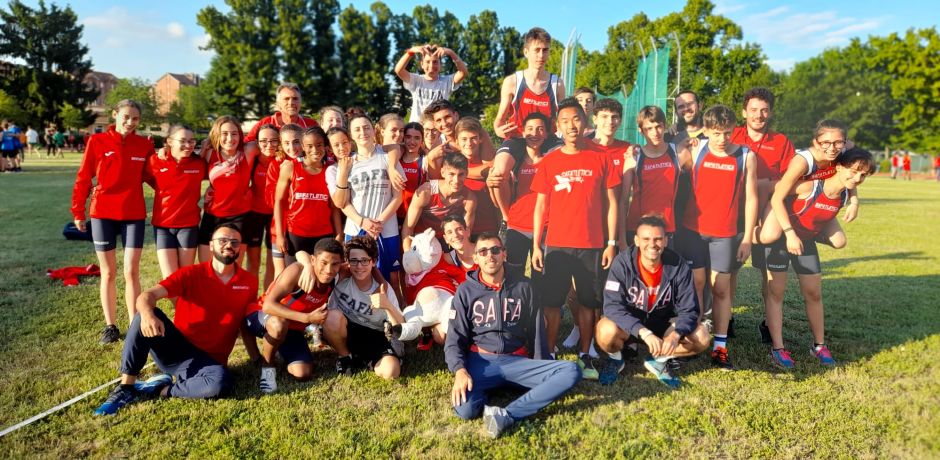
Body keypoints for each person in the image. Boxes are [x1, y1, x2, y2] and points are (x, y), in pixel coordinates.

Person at [92, 224, 258, 415]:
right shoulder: (191, 273)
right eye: (223, 241)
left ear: (240, 248)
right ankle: (126, 388)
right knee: (143, 315)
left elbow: (245, 324)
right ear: (211, 245)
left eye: (234, 242)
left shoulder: (249, 282)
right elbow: (146, 296)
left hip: (210, 362)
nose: (229, 245)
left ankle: (157, 389)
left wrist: (256, 358)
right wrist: (147, 314)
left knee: (220, 383)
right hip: (177, 351)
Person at [446, 232, 580, 438]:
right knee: (466, 410)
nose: (490, 256)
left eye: (495, 250)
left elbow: (536, 330)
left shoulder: (524, 286)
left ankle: (506, 415)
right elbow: (454, 338)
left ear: (504, 254)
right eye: (483, 251)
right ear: (476, 258)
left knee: (571, 371)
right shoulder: (465, 291)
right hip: (481, 362)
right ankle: (491, 390)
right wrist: (460, 371)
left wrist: (541, 364)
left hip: (517, 360)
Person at [755, 148, 875, 368]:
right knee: (776, 293)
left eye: (863, 175)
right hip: (781, 238)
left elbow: (851, 181)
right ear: (839, 167)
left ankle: (819, 346)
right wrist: (766, 221)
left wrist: (855, 202)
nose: (858, 178)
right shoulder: (811, 186)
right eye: (854, 171)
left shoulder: (846, 194)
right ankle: (778, 349)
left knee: (813, 293)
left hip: (805, 241)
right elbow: (774, 190)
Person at [531, 98, 621, 378]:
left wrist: (611, 243)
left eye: (576, 119)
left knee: (588, 302)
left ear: (585, 122)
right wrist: (536, 245)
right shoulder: (550, 161)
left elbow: (613, 204)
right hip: (557, 245)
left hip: (592, 244)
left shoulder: (601, 157)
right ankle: (549, 353)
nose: (571, 125)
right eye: (565, 121)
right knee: (552, 302)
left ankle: (585, 355)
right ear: (557, 127)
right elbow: (540, 206)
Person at [675, 105, 757, 371]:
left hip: (725, 234)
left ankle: (720, 347)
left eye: (727, 133)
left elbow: (751, 198)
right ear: (706, 130)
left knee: (721, 289)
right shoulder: (696, 149)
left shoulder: (746, 155)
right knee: (696, 285)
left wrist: (748, 238)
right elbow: (669, 167)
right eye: (717, 133)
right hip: (693, 231)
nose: (722, 139)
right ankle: (694, 337)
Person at [71, 99, 154, 344]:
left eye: (135, 118)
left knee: (131, 271)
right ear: (115, 114)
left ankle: (135, 325)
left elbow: (154, 178)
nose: (130, 122)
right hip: (102, 213)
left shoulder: (144, 145)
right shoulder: (97, 141)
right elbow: (84, 177)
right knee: (108, 272)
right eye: (126, 116)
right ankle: (110, 326)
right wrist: (78, 211)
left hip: (133, 214)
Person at [596, 215, 709, 387]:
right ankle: (616, 359)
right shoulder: (622, 263)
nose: (652, 244)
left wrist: (675, 335)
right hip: (630, 325)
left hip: (662, 322)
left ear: (665, 241)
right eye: (646, 239)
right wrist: (643, 332)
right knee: (605, 330)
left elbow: (690, 310)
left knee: (702, 336)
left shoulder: (678, 265)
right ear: (636, 240)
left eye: (658, 239)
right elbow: (612, 307)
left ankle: (658, 360)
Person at [246, 238, 343, 393]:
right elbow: (268, 305)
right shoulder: (298, 271)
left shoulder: (337, 274)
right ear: (313, 260)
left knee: (303, 373)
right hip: (261, 314)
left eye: (335, 264)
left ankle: (278, 345)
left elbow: (365, 267)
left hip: (292, 327)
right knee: (278, 325)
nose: (329, 269)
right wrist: (307, 318)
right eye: (323, 263)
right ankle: (268, 367)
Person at [327, 116, 405, 299]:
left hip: (387, 228)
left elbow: (398, 197)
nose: (363, 132)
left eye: (366, 127)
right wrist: (363, 222)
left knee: (393, 279)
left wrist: (379, 222)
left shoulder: (388, 157)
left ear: (373, 129)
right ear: (351, 135)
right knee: (358, 276)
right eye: (357, 129)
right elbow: (343, 203)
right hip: (357, 229)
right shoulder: (346, 164)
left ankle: (397, 312)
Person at [768, 119, 858, 258]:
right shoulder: (802, 162)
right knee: (769, 236)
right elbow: (776, 197)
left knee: (839, 241)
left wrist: (854, 202)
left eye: (838, 142)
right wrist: (789, 233)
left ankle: (807, 236)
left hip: (808, 199)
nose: (832, 148)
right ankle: (746, 235)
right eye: (826, 143)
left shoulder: (844, 151)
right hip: (779, 197)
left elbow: (852, 174)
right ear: (816, 142)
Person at [323, 236, 405, 379]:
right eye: (354, 260)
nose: (359, 266)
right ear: (347, 262)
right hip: (346, 329)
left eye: (365, 260)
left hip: (373, 334)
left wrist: (388, 306)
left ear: (373, 261)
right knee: (331, 317)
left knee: (391, 371)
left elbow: (402, 326)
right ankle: (345, 357)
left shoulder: (383, 289)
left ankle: (361, 358)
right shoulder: (339, 279)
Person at [489, 112, 551, 279]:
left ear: (547, 133)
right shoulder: (514, 162)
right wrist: (506, 216)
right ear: (523, 133)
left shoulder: (551, 160)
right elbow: (496, 196)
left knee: (541, 280)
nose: (534, 134)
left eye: (540, 129)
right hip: (517, 227)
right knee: (513, 277)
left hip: (545, 228)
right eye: (530, 129)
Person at [144, 125, 205, 279]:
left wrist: (207, 145)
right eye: (183, 141)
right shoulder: (155, 161)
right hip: (162, 226)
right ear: (170, 141)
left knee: (185, 275)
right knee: (170, 278)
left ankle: (187, 296)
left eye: (192, 141)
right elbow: (145, 178)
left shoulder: (199, 164)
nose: (188, 145)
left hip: (188, 226)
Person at [197, 116, 260, 263]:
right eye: (224, 133)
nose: (230, 138)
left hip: (240, 216)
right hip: (212, 215)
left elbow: (272, 140)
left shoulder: (248, 150)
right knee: (206, 265)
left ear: (240, 135)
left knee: (233, 266)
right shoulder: (209, 152)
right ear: (217, 135)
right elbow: (187, 160)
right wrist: (164, 150)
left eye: (234, 133)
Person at [622, 106, 688, 244]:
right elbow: (623, 201)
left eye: (658, 127)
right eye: (649, 129)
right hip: (637, 229)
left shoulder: (679, 153)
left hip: (666, 228)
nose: (655, 132)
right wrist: (621, 239)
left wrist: (694, 142)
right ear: (641, 131)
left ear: (665, 126)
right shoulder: (634, 157)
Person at [274, 126, 342, 259]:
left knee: (323, 272)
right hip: (296, 235)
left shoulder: (332, 170)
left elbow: (334, 207)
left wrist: (339, 234)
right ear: (303, 147)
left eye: (319, 145)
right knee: (296, 272)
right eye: (309, 146)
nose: (315, 150)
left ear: (325, 145)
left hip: (324, 235)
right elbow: (279, 202)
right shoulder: (290, 167)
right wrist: (280, 235)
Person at [493, 27, 565, 139]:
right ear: (526, 52)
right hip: (518, 139)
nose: (541, 55)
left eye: (545, 50)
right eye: (537, 50)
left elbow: (563, 118)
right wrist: (498, 130)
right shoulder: (512, 82)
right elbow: (499, 120)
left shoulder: (557, 84)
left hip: (547, 141)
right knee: (503, 152)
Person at [402, 152, 476, 250]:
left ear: (466, 173)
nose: (456, 180)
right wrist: (408, 254)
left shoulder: (469, 198)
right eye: (451, 174)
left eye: (461, 174)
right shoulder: (426, 192)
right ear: (443, 172)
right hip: (422, 241)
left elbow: (466, 233)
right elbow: (408, 228)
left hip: (448, 241)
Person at [395, 43, 468, 123]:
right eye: (427, 62)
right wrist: (410, 52)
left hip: (438, 128)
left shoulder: (447, 81)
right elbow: (399, 70)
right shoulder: (415, 80)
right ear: (422, 64)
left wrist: (451, 53)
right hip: (416, 128)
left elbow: (463, 72)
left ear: (440, 65)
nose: (431, 65)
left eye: (435, 62)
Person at [244, 82, 318, 143]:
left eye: (295, 99)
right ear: (278, 103)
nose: (291, 103)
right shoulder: (265, 123)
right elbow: (246, 143)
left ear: (300, 102)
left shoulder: (311, 125)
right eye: (286, 99)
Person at [396, 121, 428, 222]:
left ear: (422, 140)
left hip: (415, 217)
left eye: (417, 138)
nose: (412, 141)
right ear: (403, 138)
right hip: (393, 216)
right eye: (408, 137)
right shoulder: (395, 159)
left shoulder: (425, 161)